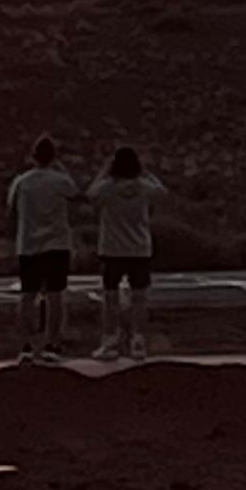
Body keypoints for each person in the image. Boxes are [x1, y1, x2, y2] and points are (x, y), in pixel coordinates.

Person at [4, 135, 81, 364]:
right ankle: (53, 344)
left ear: (32, 157)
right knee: (55, 295)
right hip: (56, 244)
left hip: (28, 245)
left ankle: (26, 345)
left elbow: (11, 210)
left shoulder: (22, 182)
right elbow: (76, 194)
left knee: (28, 295)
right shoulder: (60, 181)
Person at [85, 146, 167, 362]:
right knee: (139, 298)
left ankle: (110, 341)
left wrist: (103, 171)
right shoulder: (144, 188)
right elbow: (162, 192)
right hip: (139, 248)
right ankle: (138, 341)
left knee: (110, 297)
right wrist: (146, 172)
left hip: (112, 249)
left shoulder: (108, 189)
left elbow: (90, 194)